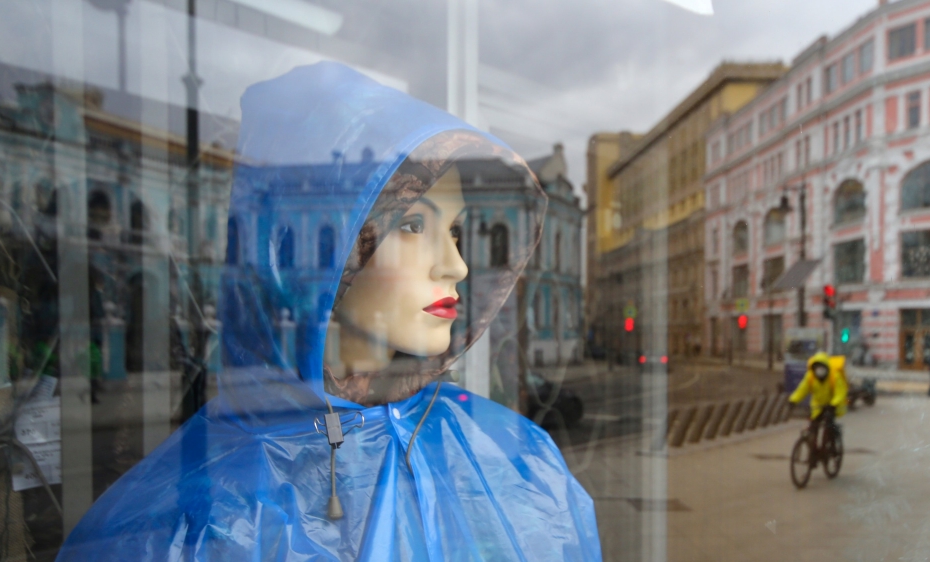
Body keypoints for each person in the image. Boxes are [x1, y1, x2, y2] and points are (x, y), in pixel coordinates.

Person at [57, 63, 601, 560]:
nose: (456, 266)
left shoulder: (519, 464)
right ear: (312, 251)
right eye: (412, 226)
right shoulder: (194, 522)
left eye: (455, 231)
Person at [788, 351, 848, 452]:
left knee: (829, 424)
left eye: (822, 367)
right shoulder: (810, 376)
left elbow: (840, 393)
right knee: (813, 428)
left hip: (832, 405)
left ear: (827, 367)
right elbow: (802, 389)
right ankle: (813, 452)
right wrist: (793, 400)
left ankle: (832, 447)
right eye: (817, 367)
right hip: (817, 406)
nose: (819, 370)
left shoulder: (835, 376)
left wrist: (833, 405)